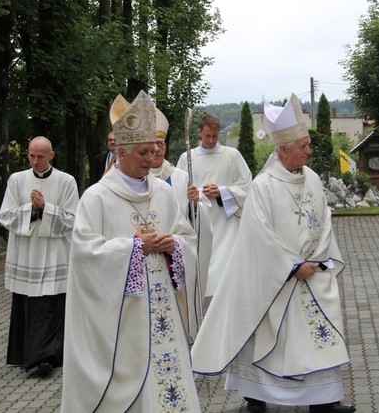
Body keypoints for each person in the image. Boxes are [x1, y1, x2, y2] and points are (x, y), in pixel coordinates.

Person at [191, 94, 355, 413]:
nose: (309, 150)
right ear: (283, 150)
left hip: (313, 273)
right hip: (279, 277)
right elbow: (258, 235)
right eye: (303, 145)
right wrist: (292, 265)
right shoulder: (264, 185)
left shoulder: (312, 179)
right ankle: (257, 396)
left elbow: (324, 221)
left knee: (319, 334)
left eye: (308, 144)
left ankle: (325, 400)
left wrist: (316, 259)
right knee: (266, 332)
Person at [60, 90, 201, 412]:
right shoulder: (96, 198)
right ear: (121, 153)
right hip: (125, 314)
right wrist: (135, 247)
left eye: (154, 151)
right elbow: (85, 253)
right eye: (143, 153)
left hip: (164, 307)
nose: (152, 159)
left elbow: (186, 238)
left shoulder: (164, 195)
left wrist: (174, 246)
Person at [0, 136, 79, 377]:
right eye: (32, 156)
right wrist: (31, 210)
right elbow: (6, 216)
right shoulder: (17, 180)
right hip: (26, 255)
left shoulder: (66, 181)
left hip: (53, 256)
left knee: (50, 306)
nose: (35, 161)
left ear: (51, 155)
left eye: (41, 156)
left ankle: (47, 358)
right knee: (27, 304)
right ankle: (26, 355)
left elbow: (73, 220)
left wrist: (46, 208)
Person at [150, 105, 213, 342]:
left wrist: (196, 205)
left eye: (161, 144)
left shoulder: (180, 176)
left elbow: (197, 223)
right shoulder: (138, 179)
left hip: (174, 255)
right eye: (153, 144)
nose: (157, 149)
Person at [176, 113, 252, 297]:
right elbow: (177, 192)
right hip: (199, 223)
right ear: (199, 133)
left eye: (215, 136)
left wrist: (223, 191)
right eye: (207, 136)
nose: (211, 140)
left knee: (226, 279)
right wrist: (193, 196)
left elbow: (247, 186)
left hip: (226, 225)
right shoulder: (187, 158)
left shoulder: (232, 156)